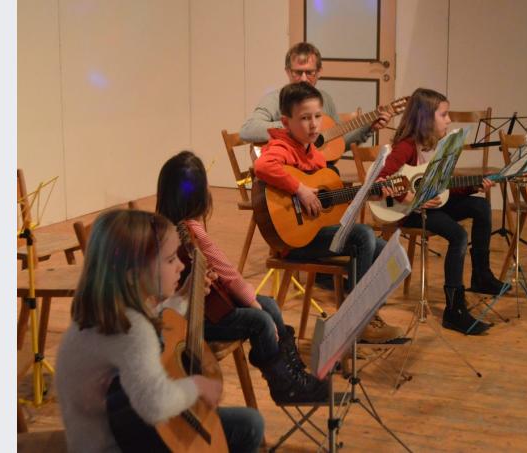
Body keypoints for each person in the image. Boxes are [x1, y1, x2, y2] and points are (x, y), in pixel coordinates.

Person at [56, 209, 263, 453]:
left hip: (112, 433)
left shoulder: (106, 313)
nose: (180, 266)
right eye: (170, 259)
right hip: (118, 444)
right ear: (133, 275)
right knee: (249, 426)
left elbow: (157, 319)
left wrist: (184, 296)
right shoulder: (131, 328)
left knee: (242, 423)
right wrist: (197, 385)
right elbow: (156, 405)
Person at [155, 150, 327, 404]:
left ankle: (293, 374)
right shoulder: (192, 230)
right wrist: (254, 304)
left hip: (202, 309)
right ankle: (286, 385)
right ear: (200, 195)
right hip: (195, 321)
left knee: (270, 306)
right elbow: (230, 275)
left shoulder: (165, 227)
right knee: (261, 320)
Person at [253, 81, 404, 343]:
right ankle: (357, 320)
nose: (314, 125)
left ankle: (368, 313)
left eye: (317, 117)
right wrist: (300, 189)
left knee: (384, 249)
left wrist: (371, 193)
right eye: (305, 118)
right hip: (295, 242)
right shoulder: (282, 147)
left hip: (315, 234)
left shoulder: (315, 154)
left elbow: (332, 199)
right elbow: (262, 166)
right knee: (363, 235)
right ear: (286, 122)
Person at [378, 88, 508, 335]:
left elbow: (444, 187)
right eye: (444, 114)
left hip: (431, 204)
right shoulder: (406, 146)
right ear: (426, 118)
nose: (449, 120)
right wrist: (411, 198)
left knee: (480, 205)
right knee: (458, 235)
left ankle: (481, 275)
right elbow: (382, 180)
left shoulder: (437, 146)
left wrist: (474, 185)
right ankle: (454, 310)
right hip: (410, 211)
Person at [239, 41, 390, 145]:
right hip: (288, 168)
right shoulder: (275, 99)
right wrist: (294, 127)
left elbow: (337, 141)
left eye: (309, 72)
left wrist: (369, 127)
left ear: (319, 72)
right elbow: (247, 130)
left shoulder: (325, 99)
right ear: (288, 72)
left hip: (319, 168)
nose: (304, 79)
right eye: (298, 72)